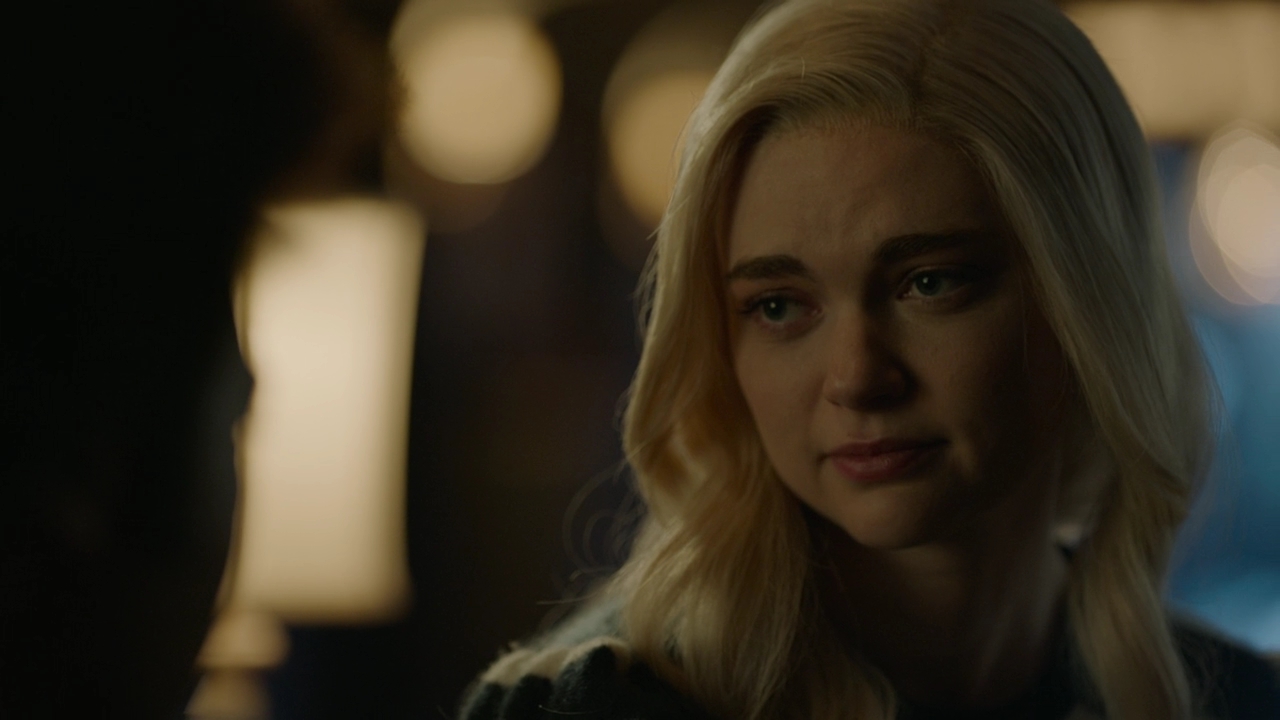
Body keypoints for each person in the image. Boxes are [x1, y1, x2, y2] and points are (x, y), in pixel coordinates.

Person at [458, 0, 1280, 718]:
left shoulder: (1237, 703)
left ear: (1087, 302)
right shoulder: (597, 706)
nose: (856, 379)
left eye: (929, 283)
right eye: (779, 306)